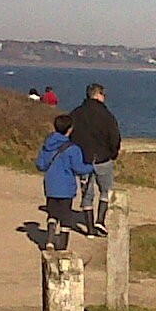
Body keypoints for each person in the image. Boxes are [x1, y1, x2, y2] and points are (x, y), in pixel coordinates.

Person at [70, 82, 122, 237]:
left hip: (83, 158)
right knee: (106, 190)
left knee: (87, 194)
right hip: (103, 158)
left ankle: (90, 229)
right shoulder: (107, 115)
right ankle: (100, 219)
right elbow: (114, 137)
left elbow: (70, 134)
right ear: (98, 95)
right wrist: (113, 153)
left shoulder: (76, 114)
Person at [35, 114, 93, 249]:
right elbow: (79, 168)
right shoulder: (73, 148)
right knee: (66, 216)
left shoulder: (47, 145)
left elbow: (40, 165)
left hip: (50, 185)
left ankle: (50, 238)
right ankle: (62, 245)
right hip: (66, 187)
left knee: (52, 212)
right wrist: (91, 167)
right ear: (70, 129)